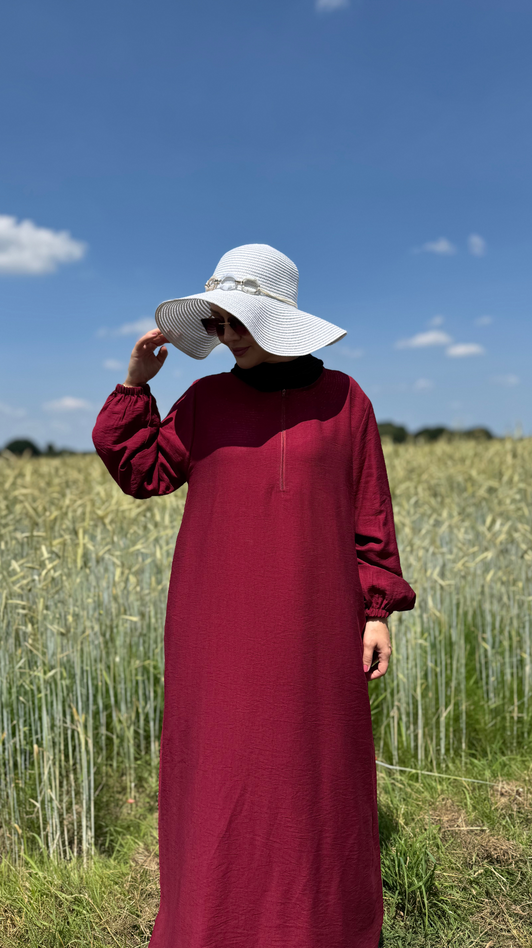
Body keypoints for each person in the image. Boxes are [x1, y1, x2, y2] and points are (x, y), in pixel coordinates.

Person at [92, 243, 416, 948]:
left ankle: (319, 928)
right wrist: (133, 385)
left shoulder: (345, 400)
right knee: (219, 775)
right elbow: (142, 471)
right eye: (214, 322)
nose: (223, 334)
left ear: (274, 321)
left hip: (316, 622)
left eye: (235, 320)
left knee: (314, 771)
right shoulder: (204, 400)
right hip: (215, 627)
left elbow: (371, 512)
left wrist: (376, 611)